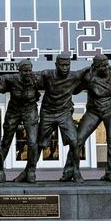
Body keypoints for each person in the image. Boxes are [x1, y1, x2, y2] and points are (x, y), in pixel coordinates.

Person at [37, 52, 86, 182]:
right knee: (39, 144)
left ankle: (76, 171)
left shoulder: (74, 76)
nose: (65, 68)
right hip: (48, 113)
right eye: (62, 65)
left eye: (67, 65)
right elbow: (30, 78)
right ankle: (29, 171)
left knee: (74, 142)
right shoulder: (47, 74)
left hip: (64, 114)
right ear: (56, 65)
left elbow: (90, 68)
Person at [75, 52, 111, 182]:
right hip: (93, 112)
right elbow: (74, 90)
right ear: (95, 67)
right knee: (78, 139)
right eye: (102, 66)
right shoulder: (89, 77)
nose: (105, 68)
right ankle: (70, 171)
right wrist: (83, 74)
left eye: (106, 65)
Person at [0, 59, 41, 183]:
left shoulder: (37, 79)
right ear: (19, 71)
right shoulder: (11, 79)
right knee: (6, 142)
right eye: (25, 71)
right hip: (14, 111)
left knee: (32, 142)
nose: (28, 73)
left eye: (29, 70)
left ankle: (31, 171)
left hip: (30, 110)